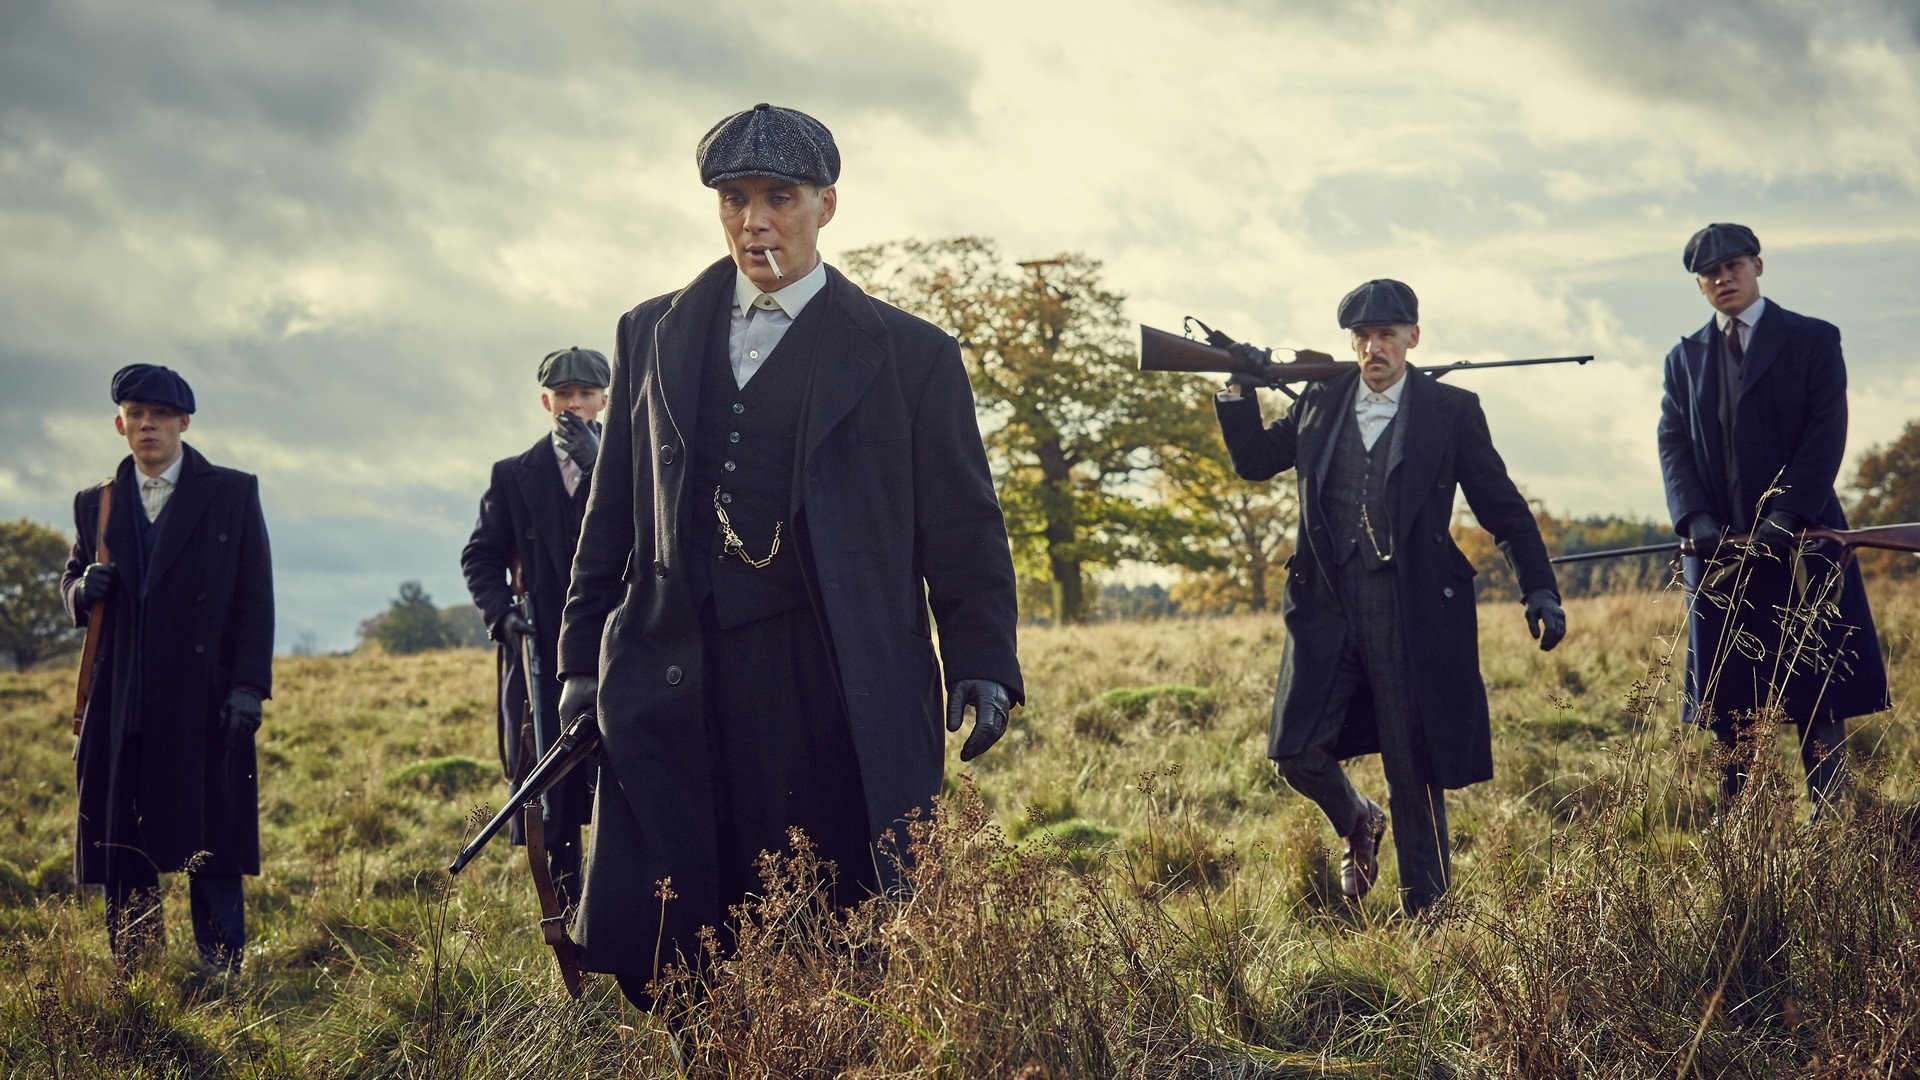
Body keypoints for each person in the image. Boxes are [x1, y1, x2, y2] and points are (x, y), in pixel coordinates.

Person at [554, 103, 1023, 1006]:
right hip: (676, 668)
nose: (754, 219)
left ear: (827, 204)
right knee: (679, 927)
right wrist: (579, 665)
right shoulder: (649, 332)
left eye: (779, 197)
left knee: (836, 920)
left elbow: (965, 526)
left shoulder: (915, 356)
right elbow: (608, 522)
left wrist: (981, 657)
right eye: (735, 198)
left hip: (835, 674)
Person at [1215, 280, 1564, 915]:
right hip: (1324, 606)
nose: (1374, 347)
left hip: (1412, 610)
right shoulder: (1320, 399)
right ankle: (1357, 818)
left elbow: (1502, 507)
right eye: (1362, 337)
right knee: (1293, 751)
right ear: (1351, 341)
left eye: (1387, 334)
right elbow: (1255, 460)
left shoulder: (1451, 411)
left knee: (1414, 768)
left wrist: (1539, 587)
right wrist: (1237, 386)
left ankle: (1428, 915)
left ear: (1414, 336)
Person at [1657, 223, 1888, 821]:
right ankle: (1742, 842)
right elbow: (1673, 443)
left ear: (1758, 265)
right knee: (1730, 706)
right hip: (1718, 556)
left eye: (1732, 265)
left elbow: (1824, 434)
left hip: (1805, 546)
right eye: (1708, 273)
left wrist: (1786, 516)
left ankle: (1832, 832)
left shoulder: (1811, 339)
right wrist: (1695, 517)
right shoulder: (1683, 360)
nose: (1721, 278)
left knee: (1819, 696)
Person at [60, 364, 273, 972]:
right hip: (121, 694)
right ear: (119, 423)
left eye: (159, 414)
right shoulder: (94, 503)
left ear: (183, 422)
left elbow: (254, 595)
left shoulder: (232, 491)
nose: (146, 424)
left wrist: (249, 688)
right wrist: (80, 591)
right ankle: (139, 973)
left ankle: (222, 970)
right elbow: (73, 576)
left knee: (213, 838)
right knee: (123, 842)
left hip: (205, 697)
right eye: (135, 413)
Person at [460, 346, 610, 911]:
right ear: (545, 401)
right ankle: (564, 916)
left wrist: (602, 466)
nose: (574, 404)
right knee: (549, 789)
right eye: (563, 395)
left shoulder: (630, 465)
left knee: (618, 784)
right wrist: (502, 614)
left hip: (611, 651)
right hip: (538, 653)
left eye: (585, 394)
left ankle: (616, 914)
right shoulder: (513, 475)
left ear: (605, 399)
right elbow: (479, 556)